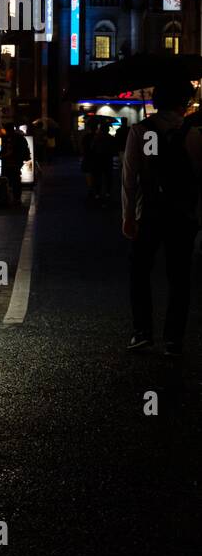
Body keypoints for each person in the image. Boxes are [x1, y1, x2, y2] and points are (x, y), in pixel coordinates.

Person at [121, 77, 202, 356]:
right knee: (179, 277)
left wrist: (128, 215)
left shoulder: (142, 131)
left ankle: (142, 331)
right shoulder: (194, 133)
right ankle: (173, 339)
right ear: (184, 103)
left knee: (139, 271)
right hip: (182, 215)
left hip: (150, 213)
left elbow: (130, 179)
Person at [0, 123, 31, 206]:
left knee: (12, 179)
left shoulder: (9, 138)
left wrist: (2, 155)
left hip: (12, 161)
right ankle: (16, 197)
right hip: (16, 161)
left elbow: (8, 150)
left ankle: (13, 197)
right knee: (15, 179)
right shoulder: (18, 137)